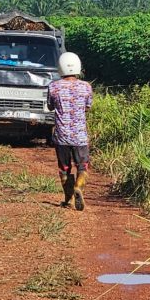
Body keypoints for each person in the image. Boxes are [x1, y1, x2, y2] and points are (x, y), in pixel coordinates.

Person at [47, 52, 93, 211]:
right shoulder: (86, 86)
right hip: (80, 135)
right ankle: (79, 187)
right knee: (83, 166)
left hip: (61, 136)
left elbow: (50, 106)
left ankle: (68, 199)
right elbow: (87, 107)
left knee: (64, 168)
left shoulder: (53, 86)